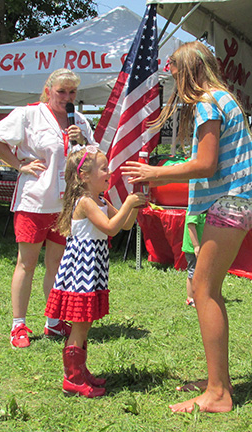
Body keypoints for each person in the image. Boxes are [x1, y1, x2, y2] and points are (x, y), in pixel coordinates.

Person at [122, 41, 252, 413]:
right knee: (209, 290)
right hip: (240, 199)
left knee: (203, 289)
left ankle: (218, 395)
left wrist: (156, 172)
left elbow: (205, 164)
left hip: (231, 200)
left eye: (172, 66)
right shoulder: (223, 98)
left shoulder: (207, 102)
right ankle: (219, 380)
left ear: (189, 69)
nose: (169, 73)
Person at [0, 68, 98, 348]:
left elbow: (94, 156)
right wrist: (18, 165)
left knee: (57, 265)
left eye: (72, 93)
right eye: (61, 91)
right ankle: (18, 325)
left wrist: (82, 141)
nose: (67, 97)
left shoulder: (79, 120)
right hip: (34, 201)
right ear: (48, 90)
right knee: (27, 263)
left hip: (65, 205)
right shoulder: (29, 114)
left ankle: (53, 320)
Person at [45, 147, 145, 398]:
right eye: (103, 168)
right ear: (84, 177)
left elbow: (126, 225)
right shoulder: (86, 203)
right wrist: (129, 204)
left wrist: (133, 205)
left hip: (94, 268)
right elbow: (111, 228)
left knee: (85, 323)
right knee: (79, 325)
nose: (109, 172)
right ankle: (73, 378)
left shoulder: (101, 200)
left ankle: (80, 369)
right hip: (82, 269)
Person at [181, 211, 206, 307]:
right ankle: (190, 297)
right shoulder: (195, 209)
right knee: (193, 271)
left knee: (202, 272)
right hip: (193, 249)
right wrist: (196, 246)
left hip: (202, 247)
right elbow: (191, 226)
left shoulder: (205, 208)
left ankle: (201, 295)